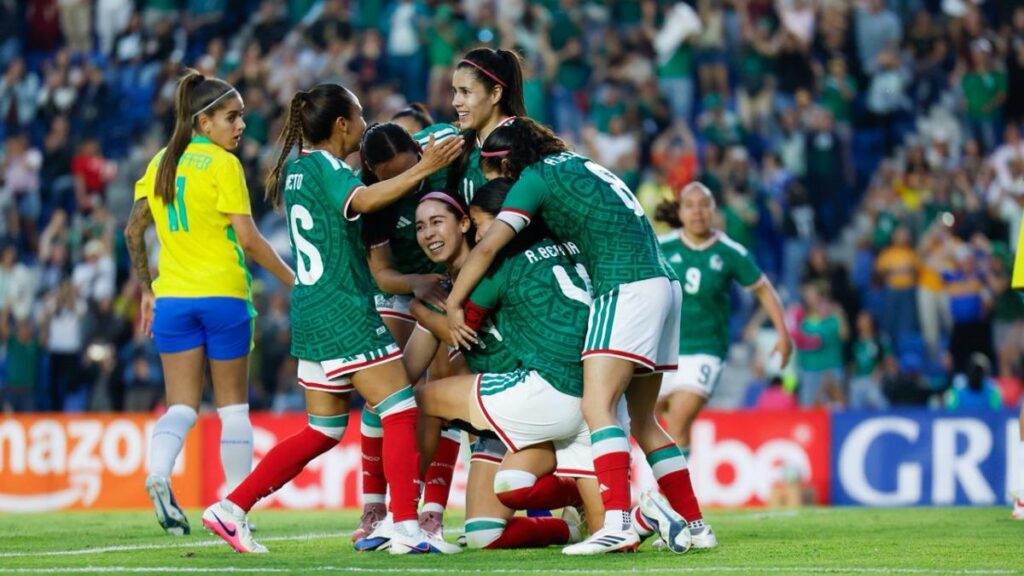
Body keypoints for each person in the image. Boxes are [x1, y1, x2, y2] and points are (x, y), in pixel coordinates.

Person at [201, 82, 463, 555]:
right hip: (342, 309)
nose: (364, 126)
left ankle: (232, 508)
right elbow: (361, 202)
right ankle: (404, 525)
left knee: (324, 430)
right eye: (360, 117)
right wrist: (425, 167)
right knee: (401, 408)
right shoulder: (325, 166)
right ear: (342, 125)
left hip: (312, 311)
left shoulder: (298, 171)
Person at [446, 118, 712, 555]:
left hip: (625, 282)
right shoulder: (579, 163)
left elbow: (491, 244)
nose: (499, 186)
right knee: (645, 422)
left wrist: (454, 301)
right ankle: (696, 524)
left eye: (495, 175)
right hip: (664, 281)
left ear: (508, 162)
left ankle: (621, 524)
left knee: (596, 405)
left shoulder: (534, 177)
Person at [124, 70, 294, 537]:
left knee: (181, 406)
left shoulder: (161, 160)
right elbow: (249, 239)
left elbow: (133, 230)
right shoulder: (222, 164)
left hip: (173, 299)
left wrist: (146, 290)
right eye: (232, 117)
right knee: (233, 410)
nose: (241, 126)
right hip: (223, 296)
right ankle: (235, 509)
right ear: (204, 122)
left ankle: (159, 471)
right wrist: (294, 281)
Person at [394, 184, 596, 550]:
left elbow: (456, 331)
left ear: (466, 223)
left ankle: (405, 517)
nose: (428, 234)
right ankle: (569, 522)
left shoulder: (494, 267)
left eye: (437, 222)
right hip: (509, 418)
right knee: (484, 536)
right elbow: (404, 374)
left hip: (540, 397)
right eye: (420, 227)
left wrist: (414, 305)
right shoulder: (444, 290)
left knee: (423, 401)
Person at [353, 120, 463, 544]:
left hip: (455, 280)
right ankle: (375, 505)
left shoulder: (447, 151)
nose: (410, 176)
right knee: (383, 386)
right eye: (394, 175)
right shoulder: (371, 199)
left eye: (413, 165)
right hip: (403, 284)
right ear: (376, 174)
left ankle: (431, 511)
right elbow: (382, 274)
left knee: (444, 386)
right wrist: (416, 282)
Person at [654, 182, 791, 456]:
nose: (698, 212)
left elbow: (764, 289)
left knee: (679, 419)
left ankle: (665, 497)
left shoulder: (729, 252)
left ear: (715, 211)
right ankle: (662, 484)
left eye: (705, 205)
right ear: (680, 212)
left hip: (706, 349)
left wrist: (783, 335)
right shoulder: (661, 247)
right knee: (646, 421)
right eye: (690, 205)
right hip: (662, 350)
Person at [449, 47, 525, 204]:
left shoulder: (526, 145)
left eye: (465, 92)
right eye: (454, 92)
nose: (455, 102)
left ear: (495, 94)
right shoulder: (455, 142)